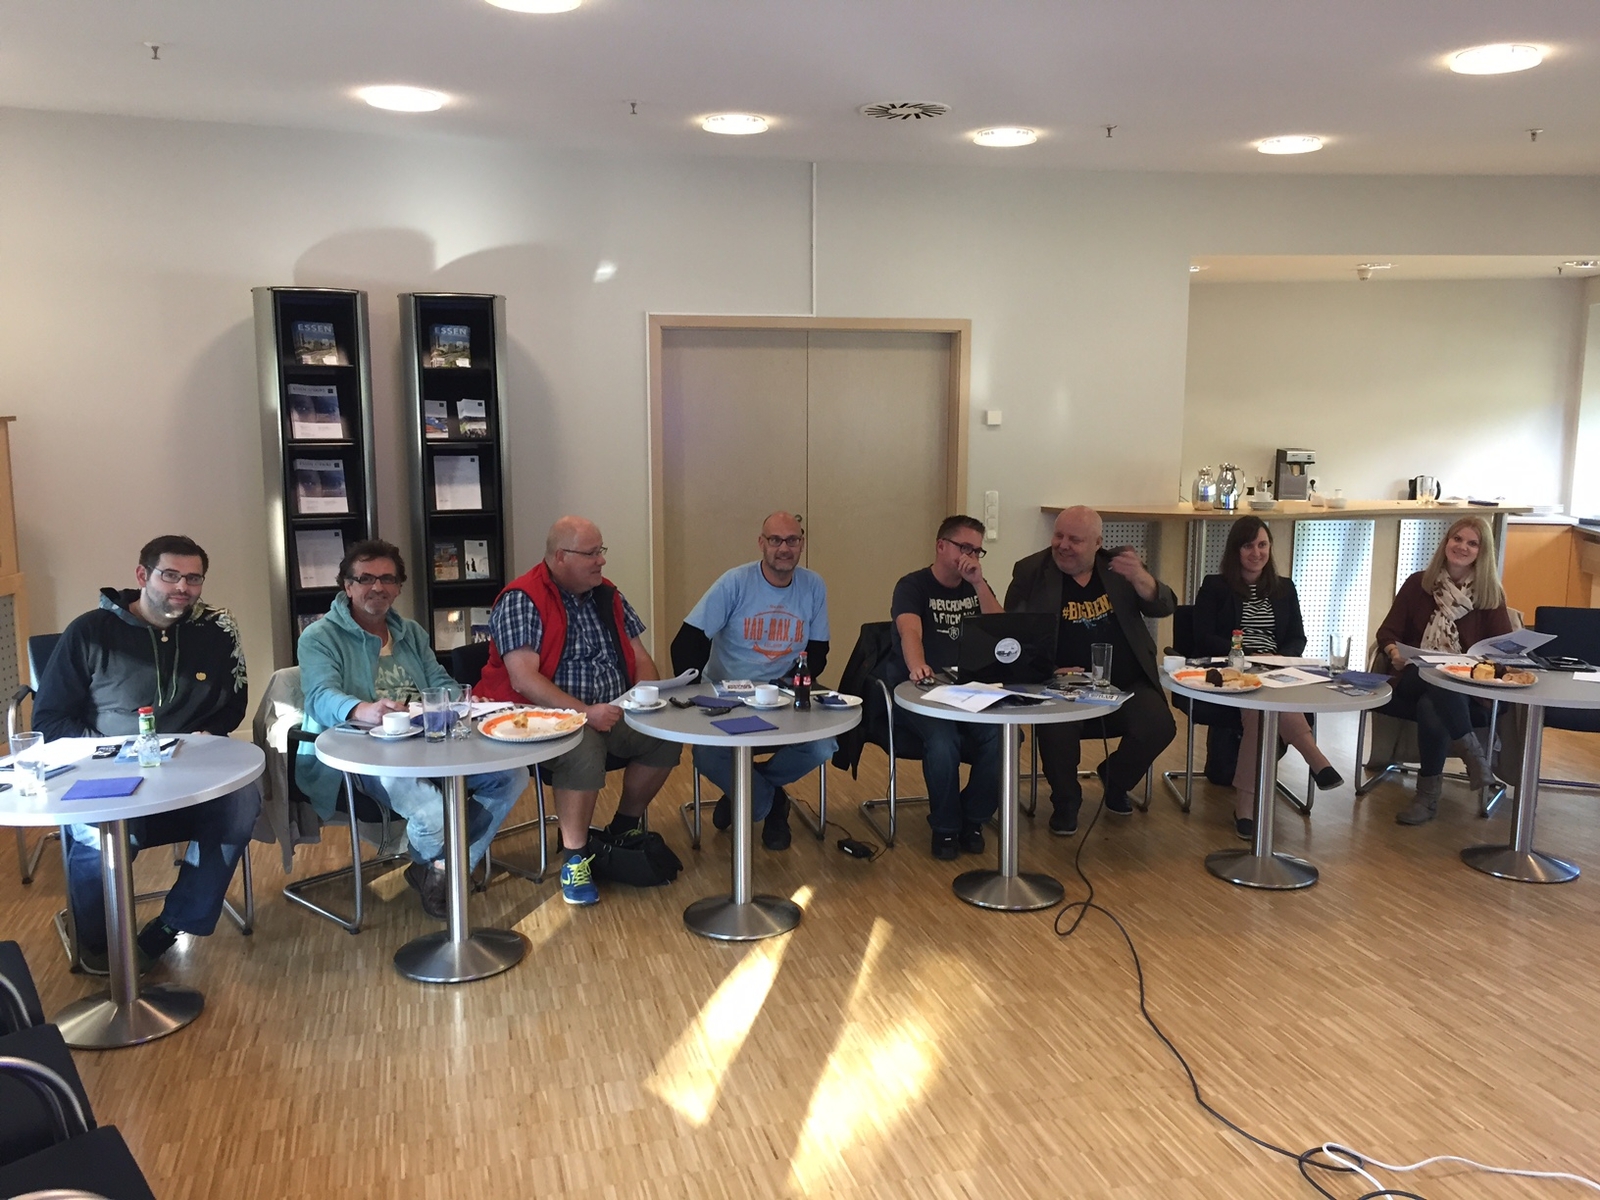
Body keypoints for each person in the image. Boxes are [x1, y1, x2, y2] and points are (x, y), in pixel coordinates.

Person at [33, 535, 260, 974]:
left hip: (188, 775)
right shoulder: (90, 632)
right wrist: (121, 754)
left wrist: (209, 733)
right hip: (106, 777)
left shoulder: (216, 631)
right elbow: (50, 721)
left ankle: (173, 925)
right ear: (142, 575)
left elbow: (232, 704)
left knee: (241, 801)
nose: (183, 587)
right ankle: (99, 941)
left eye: (194, 579)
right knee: (97, 834)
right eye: (170, 575)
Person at [297, 539, 528, 919]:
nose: (378, 587)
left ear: (399, 587)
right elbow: (320, 695)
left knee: (511, 776)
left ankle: (437, 869)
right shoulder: (320, 637)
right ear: (347, 586)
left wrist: (466, 701)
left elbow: (438, 682)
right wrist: (363, 709)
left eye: (388, 579)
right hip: (363, 754)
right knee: (434, 815)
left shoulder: (411, 633)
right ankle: (445, 871)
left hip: (428, 744)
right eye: (366, 578)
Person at [475, 517, 680, 905]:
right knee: (582, 746)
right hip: (536, 721)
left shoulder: (608, 595)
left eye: (601, 551)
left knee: (664, 734)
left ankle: (621, 828)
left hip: (610, 710)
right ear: (560, 557)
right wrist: (584, 713)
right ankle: (575, 857)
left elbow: (639, 657)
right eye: (591, 553)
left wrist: (646, 698)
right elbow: (524, 679)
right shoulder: (522, 599)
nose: (601, 561)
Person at [1005, 506, 1177, 834]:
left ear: (1098, 543)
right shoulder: (1031, 571)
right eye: (1059, 536)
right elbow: (1015, 636)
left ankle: (1115, 780)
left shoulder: (1119, 568)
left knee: (1159, 726)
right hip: (1060, 686)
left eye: (1075, 540)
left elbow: (1164, 606)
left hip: (1125, 683)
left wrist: (1142, 578)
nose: (1063, 545)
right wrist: (1051, 670)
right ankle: (1066, 802)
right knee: (1057, 732)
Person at [670, 512, 832, 852]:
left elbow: (818, 652)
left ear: (801, 544)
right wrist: (696, 697)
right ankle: (771, 803)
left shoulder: (813, 585)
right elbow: (686, 642)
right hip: (728, 699)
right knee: (707, 756)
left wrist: (791, 686)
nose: (784, 548)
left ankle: (743, 791)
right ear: (761, 543)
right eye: (775, 540)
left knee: (823, 745)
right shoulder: (735, 583)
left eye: (792, 540)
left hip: (781, 697)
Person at [1191, 516, 1343, 839]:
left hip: (1277, 669)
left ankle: (1245, 807)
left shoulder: (1284, 588)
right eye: (1248, 546)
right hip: (1233, 670)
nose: (1256, 553)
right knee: (1261, 709)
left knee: (1262, 708)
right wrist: (1246, 654)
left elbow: (1297, 637)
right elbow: (1202, 636)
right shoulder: (1216, 586)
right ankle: (1316, 759)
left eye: (1262, 545)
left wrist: (1279, 658)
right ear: (1236, 550)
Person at [1374, 515, 1510, 825]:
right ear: (1446, 542)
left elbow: (1501, 652)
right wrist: (1394, 652)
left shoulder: (1490, 594)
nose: (1462, 547)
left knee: (1431, 704)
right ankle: (1474, 757)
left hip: (1468, 689)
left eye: (1472, 543)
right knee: (1435, 676)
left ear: (1482, 552)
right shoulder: (1419, 584)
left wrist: (1477, 664)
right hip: (1413, 676)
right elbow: (1388, 632)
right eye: (1457, 539)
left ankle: (1427, 797)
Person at [888, 515, 1004, 859]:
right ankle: (946, 827)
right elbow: (910, 631)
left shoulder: (976, 586)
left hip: (969, 689)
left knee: (1001, 737)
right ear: (941, 546)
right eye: (964, 547)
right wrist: (918, 666)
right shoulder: (913, 586)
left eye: (977, 551)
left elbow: (1004, 633)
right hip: (922, 691)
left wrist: (979, 584)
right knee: (942, 742)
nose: (970, 557)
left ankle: (974, 819)